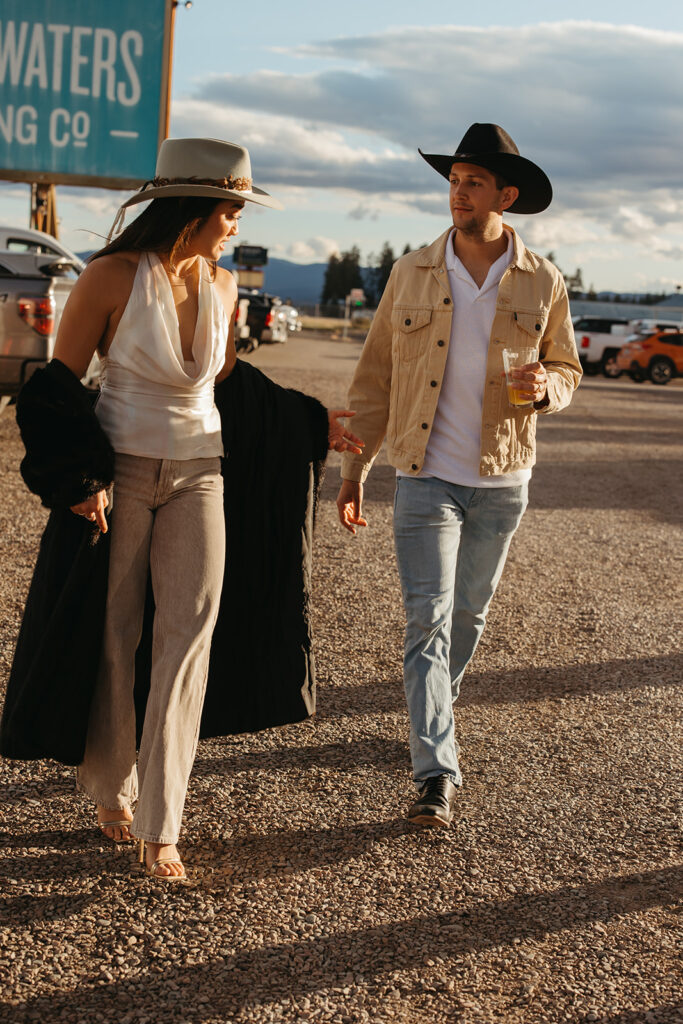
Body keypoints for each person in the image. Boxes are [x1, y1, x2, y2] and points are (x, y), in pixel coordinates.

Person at [1, 138, 362, 879]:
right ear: (194, 207)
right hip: (122, 472)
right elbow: (56, 388)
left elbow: (227, 379)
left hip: (202, 474)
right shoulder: (109, 277)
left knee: (187, 642)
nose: (236, 223)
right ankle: (110, 787)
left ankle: (163, 825)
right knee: (115, 633)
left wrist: (306, 420)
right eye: (231, 209)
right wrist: (76, 482)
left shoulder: (226, 286)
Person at [336, 123, 581, 828]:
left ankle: (427, 715)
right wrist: (355, 469)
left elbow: (567, 367)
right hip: (422, 475)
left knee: (468, 615)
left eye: (472, 182)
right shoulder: (412, 271)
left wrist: (547, 389)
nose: (458, 193)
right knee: (427, 620)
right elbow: (375, 379)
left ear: (506, 195)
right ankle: (434, 771)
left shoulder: (543, 279)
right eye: (453, 180)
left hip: (503, 478)